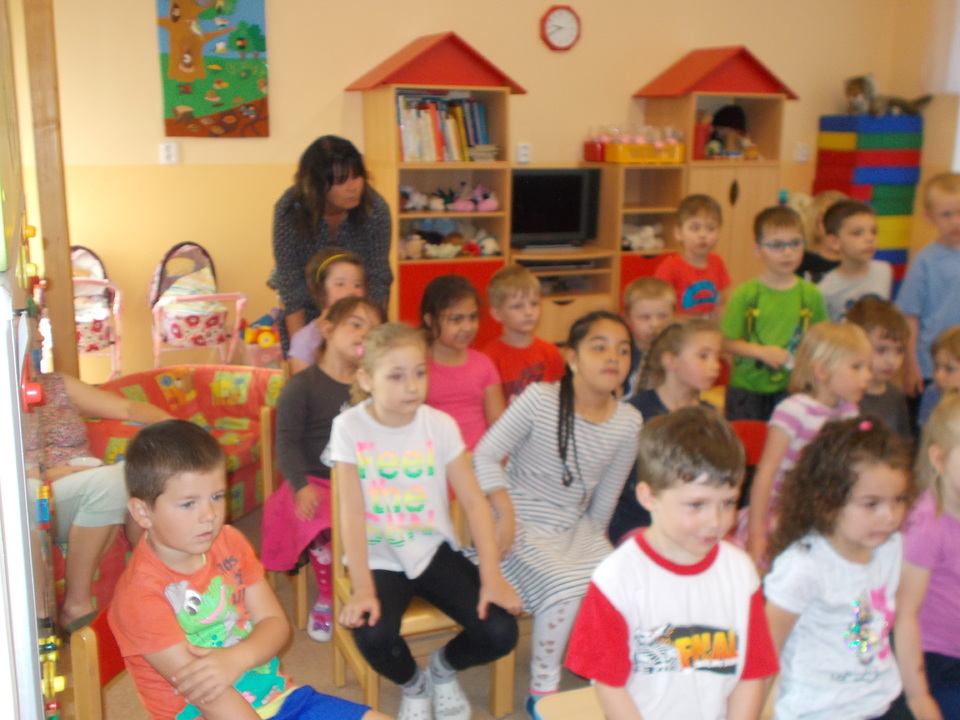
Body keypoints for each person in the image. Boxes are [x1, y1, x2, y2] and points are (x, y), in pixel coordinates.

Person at [108, 420, 389, 720]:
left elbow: (275, 623)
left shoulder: (229, 541)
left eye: (216, 496)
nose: (209, 515)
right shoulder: (140, 595)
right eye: (188, 504)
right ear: (142, 512)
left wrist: (237, 658)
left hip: (277, 698)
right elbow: (209, 696)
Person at [329, 322, 521, 720]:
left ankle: (443, 667)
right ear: (366, 379)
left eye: (419, 372)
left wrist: (491, 577)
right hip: (380, 556)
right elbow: (351, 511)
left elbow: (474, 503)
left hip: (432, 550)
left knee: (501, 631)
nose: (412, 386)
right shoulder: (349, 427)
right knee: (372, 633)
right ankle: (414, 683)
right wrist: (362, 587)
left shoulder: (439, 425)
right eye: (396, 376)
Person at [473, 310, 643, 711]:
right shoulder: (539, 399)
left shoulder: (629, 421)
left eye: (623, 350)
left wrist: (593, 546)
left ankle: (605, 674)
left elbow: (607, 497)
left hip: (575, 526)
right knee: (567, 583)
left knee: (620, 578)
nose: (613, 358)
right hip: (518, 521)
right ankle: (543, 690)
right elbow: (484, 456)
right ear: (573, 358)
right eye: (599, 348)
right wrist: (505, 513)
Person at [566, 407, 779, 720]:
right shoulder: (616, 578)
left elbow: (752, 672)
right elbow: (610, 685)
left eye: (728, 502)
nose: (715, 521)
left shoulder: (740, 571)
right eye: (696, 504)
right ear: (649, 497)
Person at [764, 417, 914, 720]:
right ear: (828, 503)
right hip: (818, 711)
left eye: (898, 500)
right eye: (871, 504)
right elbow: (766, 652)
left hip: (880, 701)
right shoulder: (804, 566)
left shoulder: (890, 546)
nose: (890, 516)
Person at [260, 297, 383, 642]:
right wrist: (300, 485)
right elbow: (286, 442)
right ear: (327, 329)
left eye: (373, 330)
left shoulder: (373, 385)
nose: (365, 334)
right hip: (315, 480)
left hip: (363, 482)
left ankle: (375, 581)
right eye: (356, 324)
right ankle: (328, 594)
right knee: (318, 518)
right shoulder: (302, 385)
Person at [32, 372, 172, 632]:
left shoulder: (54, 384)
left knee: (135, 474)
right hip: (33, 491)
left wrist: (174, 428)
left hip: (86, 482)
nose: (38, 339)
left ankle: (154, 583)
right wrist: (51, 473)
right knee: (110, 483)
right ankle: (76, 605)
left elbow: (127, 408)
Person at [736, 321, 873, 565]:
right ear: (821, 370)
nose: (868, 376)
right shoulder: (794, 411)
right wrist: (756, 534)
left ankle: (853, 595)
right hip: (783, 514)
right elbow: (766, 474)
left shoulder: (849, 411)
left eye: (868, 367)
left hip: (824, 513)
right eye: (857, 367)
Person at [271, 135, 392, 354]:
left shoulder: (374, 209)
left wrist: (372, 343)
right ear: (317, 185)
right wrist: (299, 352)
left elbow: (378, 280)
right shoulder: (290, 210)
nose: (353, 187)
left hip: (360, 316)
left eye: (357, 176)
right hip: (308, 314)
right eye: (340, 181)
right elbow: (290, 287)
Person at [607, 318, 722, 545]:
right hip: (639, 519)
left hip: (690, 519)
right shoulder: (635, 413)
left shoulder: (711, 417)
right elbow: (624, 483)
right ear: (671, 361)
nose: (716, 366)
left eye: (717, 357)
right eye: (704, 356)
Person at [721, 205, 829, 422]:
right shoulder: (745, 294)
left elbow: (822, 339)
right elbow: (724, 343)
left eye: (795, 243)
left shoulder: (811, 294)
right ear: (758, 251)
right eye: (777, 245)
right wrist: (762, 353)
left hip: (793, 389)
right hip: (747, 389)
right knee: (748, 440)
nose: (788, 252)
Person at [896, 394, 960, 719]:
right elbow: (904, 614)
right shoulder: (926, 526)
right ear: (939, 459)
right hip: (934, 658)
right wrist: (918, 696)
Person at [420, 275, 505, 451]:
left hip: (478, 459)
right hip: (435, 459)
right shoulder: (418, 367)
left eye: (472, 317)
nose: (467, 327)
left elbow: (497, 421)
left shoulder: (483, 364)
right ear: (430, 321)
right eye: (456, 319)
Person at [896, 173, 960, 399]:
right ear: (929, 217)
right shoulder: (925, 261)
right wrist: (910, 366)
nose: (955, 221)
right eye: (946, 215)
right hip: (933, 366)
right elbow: (909, 317)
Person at [481, 265, 565, 404]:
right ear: (497, 313)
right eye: (518, 306)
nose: (528, 312)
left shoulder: (551, 353)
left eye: (534, 304)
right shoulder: (489, 359)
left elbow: (561, 397)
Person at [286, 248, 366, 374]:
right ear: (321, 291)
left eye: (357, 285)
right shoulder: (306, 338)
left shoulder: (367, 331)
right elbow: (301, 382)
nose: (352, 291)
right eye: (340, 284)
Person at [654, 194, 730, 319]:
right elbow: (659, 307)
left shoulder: (717, 261)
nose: (703, 235)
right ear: (678, 233)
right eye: (695, 228)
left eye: (711, 228)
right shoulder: (669, 267)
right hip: (679, 328)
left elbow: (720, 302)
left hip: (709, 327)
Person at [846, 297, 912, 441]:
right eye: (881, 350)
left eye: (899, 351)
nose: (892, 361)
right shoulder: (846, 396)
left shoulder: (895, 396)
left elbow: (903, 444)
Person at [817, 200, 892, 321]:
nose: (869, 238)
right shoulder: (825, 290)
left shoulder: (883, 271)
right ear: (834, 242)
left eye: (874, 232)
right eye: (857, 233)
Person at [620, 276, 675, 402]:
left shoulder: (678, 350)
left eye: (662, 316)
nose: (654, 324)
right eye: (645, 317)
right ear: (628, 318)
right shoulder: (623, 353)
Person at [791, 189, 846, 283]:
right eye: (829, 219)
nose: (836, 226)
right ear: (815, 222)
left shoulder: (856, 265)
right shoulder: (797, 262)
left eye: (842, 220)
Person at [917, 326, 960, 427]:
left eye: (949, 369)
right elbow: (926, 433)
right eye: (936, 366)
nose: (938, 376)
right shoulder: (932, 393)